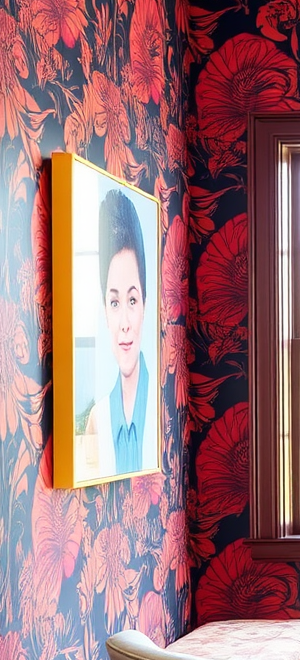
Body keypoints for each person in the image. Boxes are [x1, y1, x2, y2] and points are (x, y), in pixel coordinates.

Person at [85, 189, 156, 477]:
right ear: (104, 312)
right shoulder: (96, 419)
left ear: (145, 306)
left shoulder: (162, 411)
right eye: (115, 302)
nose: (125, 322)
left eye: (132, 300)